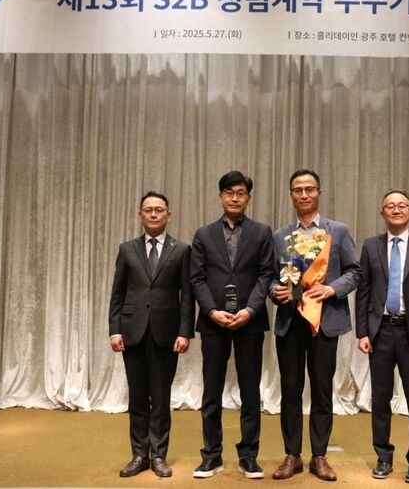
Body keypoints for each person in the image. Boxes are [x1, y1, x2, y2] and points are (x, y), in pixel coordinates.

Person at [270, 169, 361, 482]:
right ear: (291, 195)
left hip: (325, 320)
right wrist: (275, 291)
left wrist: (331, 289)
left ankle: (319, 456)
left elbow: (355, 272)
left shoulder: (339, 231)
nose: (304, 194)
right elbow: (270, 277)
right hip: (290, 321)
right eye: (298, 190)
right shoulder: (280, 236)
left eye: (309, 189)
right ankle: (292, 455)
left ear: (319, 193)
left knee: (322, 389)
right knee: (290, 389)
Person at [190, 171, 274, 479]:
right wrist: (212, 311)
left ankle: (249, 455)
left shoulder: (262, 232)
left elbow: (266, 274)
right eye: (229, 192)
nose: (234, 198)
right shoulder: (203, 234)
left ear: (248, 198)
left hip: (250, 322)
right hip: (213, 323)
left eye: (240, 193)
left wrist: (250, 310)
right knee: (211, 390)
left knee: (250, 390)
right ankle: (211, 455)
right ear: (220, 197)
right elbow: (197, 278)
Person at [355, 189, 409, 484]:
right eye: (390, 206)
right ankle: (383, 456)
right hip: (380, 332)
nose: (396, 210)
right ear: (382, 213)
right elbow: (363, 292)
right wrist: (363, 331)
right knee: (380, 399)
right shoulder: (371, 246)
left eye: (401, 205)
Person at [109, 191, 194, 479]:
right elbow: (117, 294)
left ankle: (158, 455)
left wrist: (185, 332)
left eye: (159, 210)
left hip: (166, 334)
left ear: (168, 215)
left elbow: (187, 296)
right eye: (148, 210)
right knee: (137, 397)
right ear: (140, 215)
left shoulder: (181, 250)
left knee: (160, 397)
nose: (154, 214)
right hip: (132, 332)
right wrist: (114, 330)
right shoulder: (127, 250)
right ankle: (138, 455)